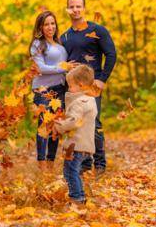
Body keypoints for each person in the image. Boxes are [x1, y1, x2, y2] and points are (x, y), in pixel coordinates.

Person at [61, 0, 117, 176]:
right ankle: (84, 165)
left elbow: (111, 54)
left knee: (94, 123)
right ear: (67, 9)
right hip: (72, 89)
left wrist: (102, 79)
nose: (75, 9)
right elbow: (62, 62)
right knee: (76, 123)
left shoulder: (97, 30)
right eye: (72, 6)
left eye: (78, 6)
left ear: (84, 8)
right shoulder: (65, 37)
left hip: (92, 87)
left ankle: (100, 164)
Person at [29, 11, 68, 170]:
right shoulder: (37, 44)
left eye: (53, 23)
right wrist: (63, 67)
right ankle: (42, 165)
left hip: (60, 90)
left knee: (56, 126)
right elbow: (41, 68)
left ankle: (50, 164)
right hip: (43, 90)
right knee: (44, 126)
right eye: (46, 24)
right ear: (40, 27)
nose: (50, 27)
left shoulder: (59, 45)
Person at [54, 64, 97, 204]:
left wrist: (58, 126)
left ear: (80, 85)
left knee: (70, 173)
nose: (69, 89)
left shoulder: (80, 102)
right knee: (75, 173)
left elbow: (73, 121)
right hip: (86, 146)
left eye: (70, 86)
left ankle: (77, 198)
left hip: (76, 146)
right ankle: (81, 196)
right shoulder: (91, 100)